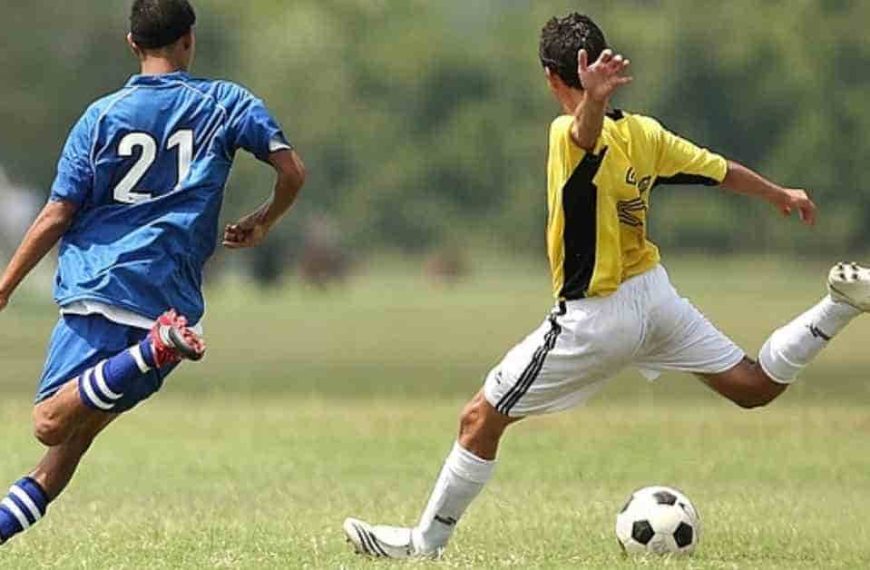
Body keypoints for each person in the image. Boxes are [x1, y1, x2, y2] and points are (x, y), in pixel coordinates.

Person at [342, 12, 869, 559]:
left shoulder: (564, 132)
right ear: (597, 64)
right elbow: (719, 170)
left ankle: (423, 546)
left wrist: (589, 101)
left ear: (550, 77)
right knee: (754, 386)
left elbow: (583, 135)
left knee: (479, 418)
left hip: (596, 316)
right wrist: (778, 193)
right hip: (655, 297)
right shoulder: (645, 133)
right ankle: (836, 306)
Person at [0, 0, 305, 545]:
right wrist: (263, 220)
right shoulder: (226, 102)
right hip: (173, 300)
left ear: (132, 44)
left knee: (49, 422)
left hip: (102, 288)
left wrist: (5, 285)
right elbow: (291, 171)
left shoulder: (100, 117)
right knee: (66, 449)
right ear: (190, 39)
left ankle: (149, 348)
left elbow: (58, 212)